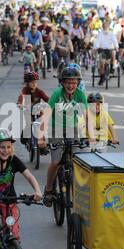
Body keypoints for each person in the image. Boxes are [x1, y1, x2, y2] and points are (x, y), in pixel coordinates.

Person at [37, 66, 95, 207]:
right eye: (68, 82)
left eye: (74, 82)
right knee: (56, 161)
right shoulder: (57, 93)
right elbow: (46, 116)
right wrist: (40, 137)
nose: (71, 85)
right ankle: (49, 189)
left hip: (72, 129)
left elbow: (88, 117)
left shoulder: (80, 94)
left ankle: (77, 190)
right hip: (55, 129)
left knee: (77, 160)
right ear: (62, 82)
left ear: (78, 83)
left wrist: (91, 137)